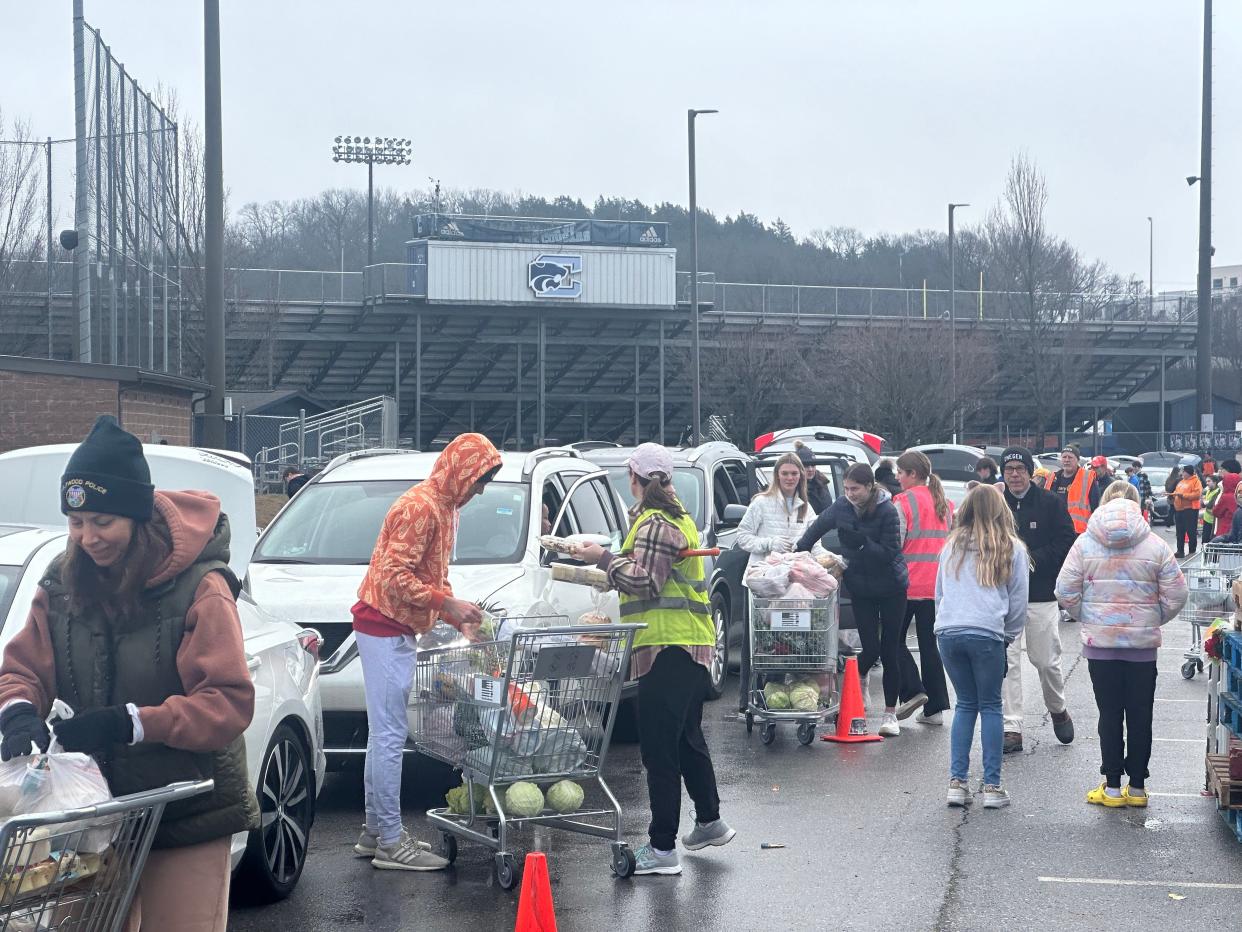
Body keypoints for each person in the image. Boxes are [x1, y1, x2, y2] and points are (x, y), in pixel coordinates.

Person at [0, 416, 258, 930]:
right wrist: (18, 710)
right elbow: (21, 667)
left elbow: (228, 703)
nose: (87, 537)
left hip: (185, 807)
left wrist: (131, 722)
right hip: (92, 814)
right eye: (76, 523)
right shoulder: (62, 582)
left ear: (136, 517)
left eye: (102, 521)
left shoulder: (200, 587)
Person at [578, 444, 733, 877]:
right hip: (687, 647)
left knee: (660, 750)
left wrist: (603, 559)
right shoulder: (675, 517)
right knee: (685, 738)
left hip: (666, 648)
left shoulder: (655, 523)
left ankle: (662, 847)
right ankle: (708, 821)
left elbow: (645, 582)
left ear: (637, 479)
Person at [352, 433, 499, 870]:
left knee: (385, 734)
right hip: (384, 625)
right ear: (459, 472)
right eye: (478, 481)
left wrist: (456, 616)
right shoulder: (421, 506)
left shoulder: (444, 508)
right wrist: (446, 605)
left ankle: (375, 832)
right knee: (390, 735)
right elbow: (392, 574)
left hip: (393, 625)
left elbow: (433, 575)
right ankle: (391, 842)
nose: (479, 491)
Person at [1055, 482, 1187, 807]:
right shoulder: (1155, 545)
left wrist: (1090, 618)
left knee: (1109, 713)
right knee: (1141, 713)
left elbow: (1065, 590)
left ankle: (1112, 787)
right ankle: (1138, 788)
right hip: (1142, 647)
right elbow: (1178, 594)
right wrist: (1152, 619)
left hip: (1101, 646)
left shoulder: (1085, 543)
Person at [797, 463, 909, 736]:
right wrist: (798, 551)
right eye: (846, 488)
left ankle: (890, 714)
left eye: (855, 489)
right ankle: (856, 684)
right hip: (860, 586)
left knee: (890, 649)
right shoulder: (842, 506)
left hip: (891, 585)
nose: (850, 494)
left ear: (870, 487)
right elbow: (816, 528)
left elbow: (891, 552)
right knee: (869, 647)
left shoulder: (886, 510)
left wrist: (861, 543)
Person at [935, 485, 1029, 809]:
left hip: (948, 630)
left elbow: (940, 593)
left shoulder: (951, 547)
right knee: (991, 706)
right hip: (987, 631)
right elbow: (1018, 601)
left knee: (964, 705)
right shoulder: (1012, 548)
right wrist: (1008, 635)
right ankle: (992, 786)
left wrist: (945, 621)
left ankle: (957, 782)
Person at [998, 447, 1077, 754]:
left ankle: (1057, 708)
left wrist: (1031, 560)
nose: (1014, 474)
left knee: (1045, 661)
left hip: (1040, 593)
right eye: (1009, 470)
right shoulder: (997, 505)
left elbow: (1066, 539)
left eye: (1020, 468)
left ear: (1030, 472)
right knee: (1009, 663)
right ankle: (1012, 726)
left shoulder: (1050, 504)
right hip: (1003, 596)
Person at [736, 453, 823, 712]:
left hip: (791, 586)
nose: (789, 478)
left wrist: (828, 562)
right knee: (755, 643)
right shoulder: (761, 503)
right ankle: (747, 700)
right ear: (777, 475)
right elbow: (742, 537)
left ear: (801, 477)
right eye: (784, 473)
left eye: (794, 474)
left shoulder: (806, 508)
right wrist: (768, 544)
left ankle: (785, 693)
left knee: (786, 642)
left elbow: (816, 545)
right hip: (761, 584)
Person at [893, 451, 953, 725]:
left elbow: (896, 543)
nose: (897, 477)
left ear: (912, 475)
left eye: (900, 472)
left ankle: (913, 690)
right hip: (935, 584)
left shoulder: (903, 501)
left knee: (892, 640)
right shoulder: (943, 502)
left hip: (906, 582)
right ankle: (935, 709)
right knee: (930, 645)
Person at [1042, 445, 1101, 533]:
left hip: (1078, 532)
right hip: (1054, 531)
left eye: (1070, 457)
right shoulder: (1052, 478)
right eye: (1064, 457)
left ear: (1077, 460)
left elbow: (1096, 507)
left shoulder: (1087, 478)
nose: (1067, 460)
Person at [1171, 463, 1203, 559]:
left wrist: (1183, 495)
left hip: (1190, 509)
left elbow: (1197, 495)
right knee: (1179, 531)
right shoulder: (1181, 482)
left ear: (1188, 472)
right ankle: (1180, 551)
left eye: (1183, 471)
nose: (1182, 473)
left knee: (1191, 530)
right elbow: (1177, 492)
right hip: (1179, 509)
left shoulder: (1196, 481)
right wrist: (1173, 494)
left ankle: (1192, 551)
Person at [794, 441, 834, 514]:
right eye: (806, 465)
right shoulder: (793, 487)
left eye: (813, 465)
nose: (810, 469)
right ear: (797, 467)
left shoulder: (821, 481)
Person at [1211, 459, 1242, 540]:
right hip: (1237, 530)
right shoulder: (1238, 493)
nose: (1220, 471)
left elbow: (1216, 512)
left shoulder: (1226, 496)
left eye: (1222, 469)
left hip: (1225, 529)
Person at [1202, 474, 1222, 545]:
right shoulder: (1208, 490)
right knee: (1204, 539)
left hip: (1213, 520)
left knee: (1211, 540)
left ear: (1214, 482)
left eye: (1209, 481)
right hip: (1207, 518)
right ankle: (1205, 555)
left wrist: (1205, 503)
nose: (1207, 483)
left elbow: (1210, 505)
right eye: (1206, 481)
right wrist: (1205, 503)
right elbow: (1203, 504)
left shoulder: (1218, 491)